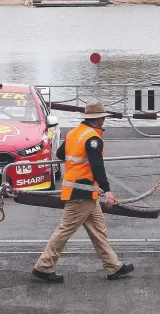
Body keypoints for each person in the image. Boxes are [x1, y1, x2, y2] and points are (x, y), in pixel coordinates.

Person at [32, 102, 134, 282]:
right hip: (82, 191)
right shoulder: (92, 138)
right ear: (98, 119)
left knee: (98, 230)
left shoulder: (74, 133)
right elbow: (97, 166)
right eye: (103, 118)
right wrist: (108, 190)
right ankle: (44, 266)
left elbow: (61, 155)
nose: (104, 121)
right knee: (65, 230)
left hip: (83, 191)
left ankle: (113, 266)